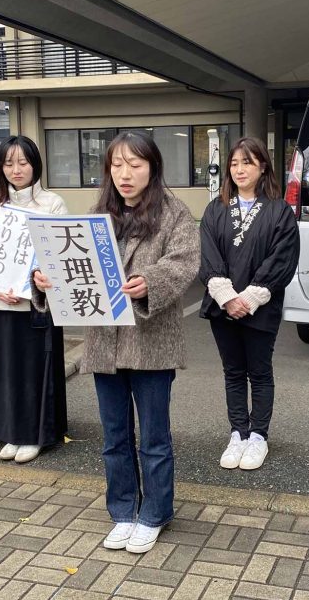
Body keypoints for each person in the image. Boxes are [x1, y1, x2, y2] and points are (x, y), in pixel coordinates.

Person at [33, 131, 198, 554]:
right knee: (114, 437)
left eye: (135, 165)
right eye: (117, 165)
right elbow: (72, 264)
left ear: (152, 168)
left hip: (151, 343)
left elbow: (184, 263)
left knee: (154, 438)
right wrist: (47, 280)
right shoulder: (97, 214)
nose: (125, 174)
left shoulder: (174, 213)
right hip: (104, 342)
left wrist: (151, 282)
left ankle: (155, 512)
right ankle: (123, 510)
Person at [199, 137, 299, 471]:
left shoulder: (279, 211)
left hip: (261, 306)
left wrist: (252, 296)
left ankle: (258, 436)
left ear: (263, 167)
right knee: (232, 372)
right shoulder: (216, 209)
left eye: (247, 162)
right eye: (234, 163)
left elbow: (282, 258)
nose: (239, 169)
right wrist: (227, 297)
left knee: (259, 371)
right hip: (223, 306)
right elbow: (208, 253)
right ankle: (238, 433)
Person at [0, 135, 69, 464]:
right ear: (0, 168)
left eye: (23, 162)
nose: (16, 170)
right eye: (8, 163)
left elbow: (59, 252)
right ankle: (11, 431)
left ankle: (35, 434)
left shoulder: (52, 204)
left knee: (34, 370)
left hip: (36, 305)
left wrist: (40, 282)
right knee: (5, 370)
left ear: (35, 165)